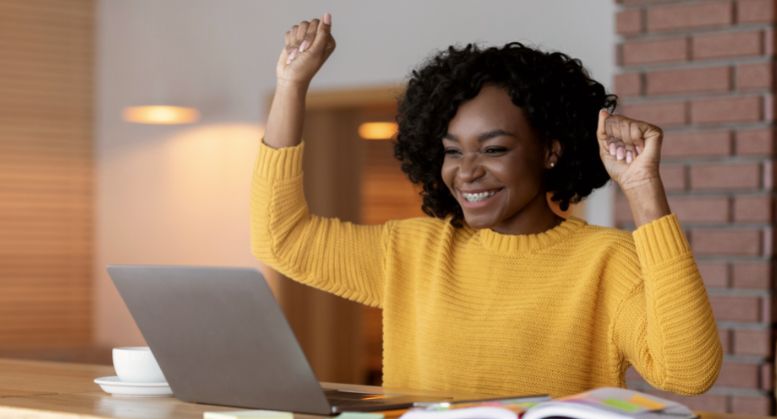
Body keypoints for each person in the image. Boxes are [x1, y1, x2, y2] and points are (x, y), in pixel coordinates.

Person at [252, 13, 722, 398]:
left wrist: (642, 188)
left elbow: (688, 373)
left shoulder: (606, 261)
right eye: (453, 151)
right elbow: (281, 239)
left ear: (549, 151)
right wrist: (291, 86)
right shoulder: (412, 251)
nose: (467, 171)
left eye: (494, 150)